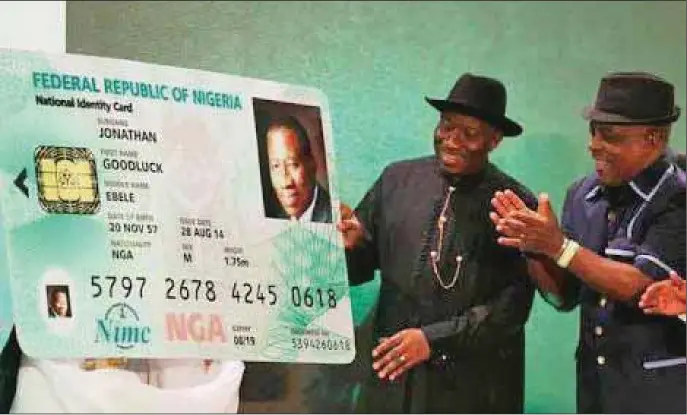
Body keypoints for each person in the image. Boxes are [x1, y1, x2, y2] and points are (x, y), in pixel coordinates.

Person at [337, 73, 536, 413]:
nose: (452, 140)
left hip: (468, 390)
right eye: (446, 126)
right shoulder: (397, 180)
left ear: (495, 139)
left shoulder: (514, 203)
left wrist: (432, 340)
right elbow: (358, 270)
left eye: (469, 133)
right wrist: (350, 245)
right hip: (392, 383)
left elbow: (511, 310)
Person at [490, 71, 686, 413]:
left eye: (609, 135)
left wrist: (559, 247)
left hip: (661, 395)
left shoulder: (678, 198)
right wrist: (533, 247)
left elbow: (641, 287)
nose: (594, 144)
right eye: (593, 130)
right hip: (595, 391)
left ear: (653, 138)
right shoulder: (581, 194)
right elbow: (564, 296)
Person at [265, 115, 332, 223]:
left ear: (312, 164)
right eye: (276, 166)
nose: (285, 183)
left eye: (292, 164)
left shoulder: (335, 217)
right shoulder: (277, 220)